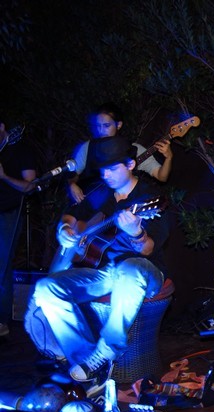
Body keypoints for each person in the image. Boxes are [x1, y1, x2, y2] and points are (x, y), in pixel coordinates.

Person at [31, 135, 169, 396]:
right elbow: (72, 214)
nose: (106, 175)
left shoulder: (149, 198)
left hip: (144, 271)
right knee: (46, 288)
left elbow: (149, 249)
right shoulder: (101, 192)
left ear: (130, 165)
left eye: (112, 168)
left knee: (129, 270)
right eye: (102, 170)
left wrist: (137, 233)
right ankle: (86, 360)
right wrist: (65, 229)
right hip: (105, 272)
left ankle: (106, 351)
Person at [68, 102, 173, 204]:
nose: (101, 131)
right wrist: (72, 184)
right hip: (87, 203)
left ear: (118, 125)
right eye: (98, 126)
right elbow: (73, 173)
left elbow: (161, 176)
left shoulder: (133, 149)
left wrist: (168, 158)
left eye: (106, 125)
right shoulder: (88, 147)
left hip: (116, 205)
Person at [0, 120, 36, 337]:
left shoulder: (21, 149)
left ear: (1, 127)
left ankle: (2, 321)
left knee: (1, 267)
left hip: (8, 214)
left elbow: (31, 185)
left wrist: (4, 176)